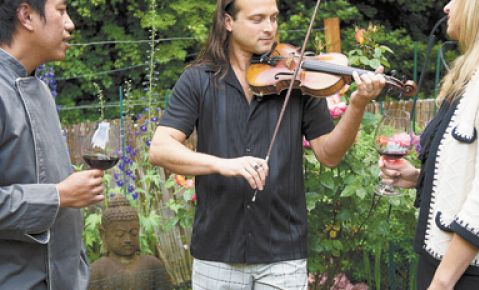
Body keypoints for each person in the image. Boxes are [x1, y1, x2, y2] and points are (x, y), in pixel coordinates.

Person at [149, 0, 385, 288]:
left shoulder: (297, 77)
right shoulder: (198, 79)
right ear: (228, 22)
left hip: (282, 254)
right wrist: (223, 165)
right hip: (217, 252)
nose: (270, 28)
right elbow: (160, 149)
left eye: (273, 18)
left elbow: (329, 154)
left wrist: (358, 104)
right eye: (258, 19)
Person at [379, 0, 479, 289]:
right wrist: (420, 179)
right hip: (446, 264)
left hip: (471, 275)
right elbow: (471, 168)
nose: (446, 8)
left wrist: (442, 282)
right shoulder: (476, 73)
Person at [0, 1, 106, 289]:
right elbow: (56, 194)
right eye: (61, 11)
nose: (70, 24)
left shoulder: (42, 89)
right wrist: (58, 196)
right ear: (26, 16)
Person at [89, 195, 171, 290]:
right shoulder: (96, 271)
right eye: (120, 234)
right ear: (103, 234)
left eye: (134, 233)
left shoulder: (153, 265)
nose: (128, 239)